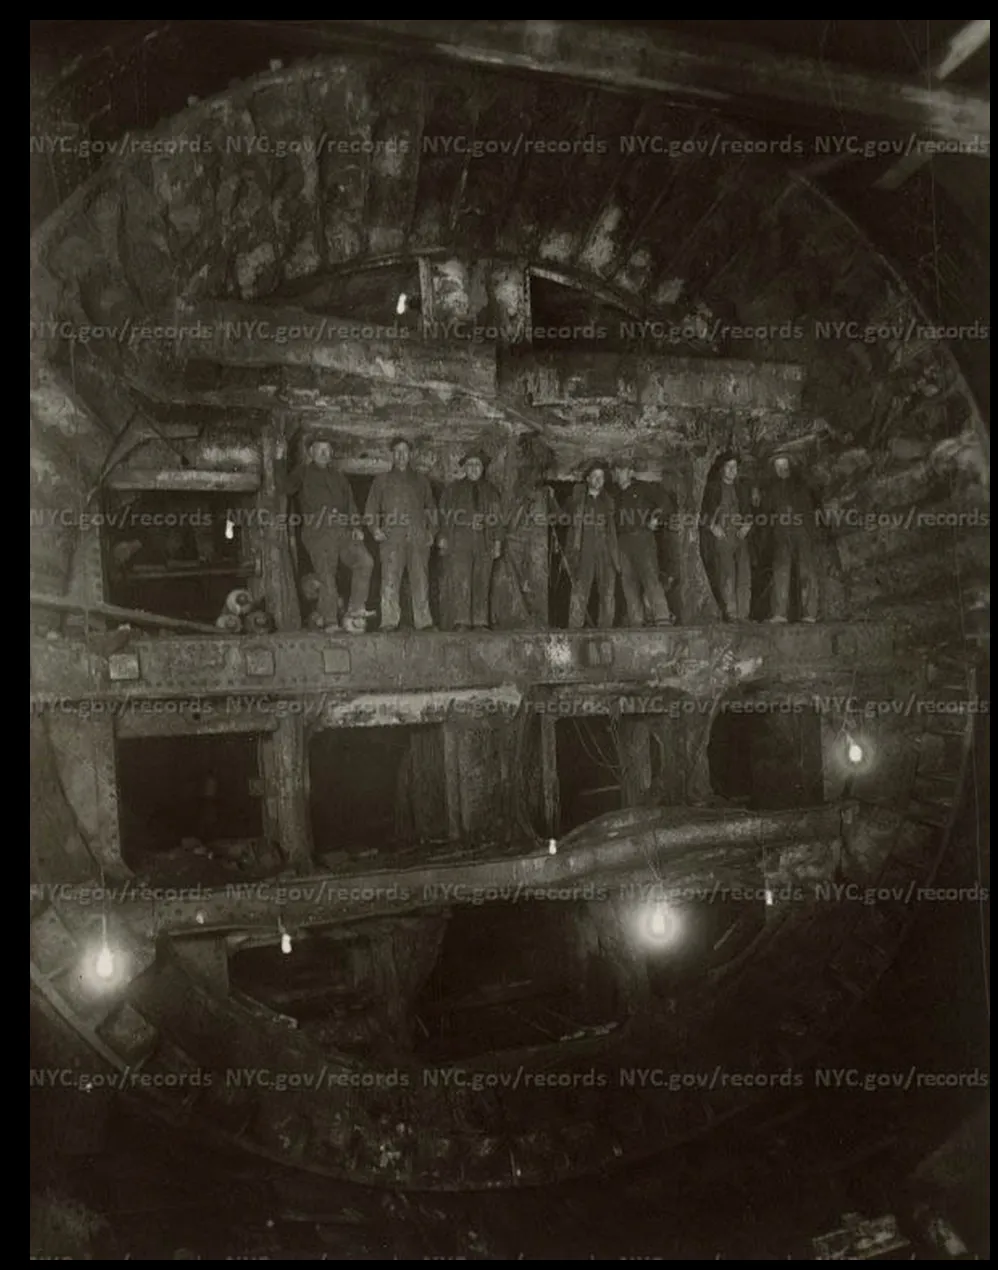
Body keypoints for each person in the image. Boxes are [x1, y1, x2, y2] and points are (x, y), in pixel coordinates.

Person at [278, 434, 373, 630]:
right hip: (318, 531)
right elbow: (285, 488)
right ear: (311, 452)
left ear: (331, 453)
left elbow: (350, 504)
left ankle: (354, 610)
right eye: (319, 449)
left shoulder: (339, 476)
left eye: (327, 450)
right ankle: (330, 621)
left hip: (342, 529)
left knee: (365, 561)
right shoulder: (303, 472)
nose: (324, 453)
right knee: (326, 575)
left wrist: (356, 527)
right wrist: (285, 463)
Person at [364, 437, 438, 631]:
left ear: (411, 454)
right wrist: (375, 529)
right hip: (391, 538)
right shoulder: (381, 480)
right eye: (397, 452)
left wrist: (432, 531)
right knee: (389, 578)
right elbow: (371, 508)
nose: (401, 455)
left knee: (420, 579)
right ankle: (389, 621)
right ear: (392, 455)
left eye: (405, 451)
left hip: (417, 536)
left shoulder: (421, 481)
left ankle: (424, 622)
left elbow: (431, 508)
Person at [438, 451, 503, 630]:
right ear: (465, 468)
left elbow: (498, 519)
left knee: (482, 579)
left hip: (485, 542)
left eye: (478, 465)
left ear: (483, 468)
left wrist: (497, 542)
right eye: (470, 465)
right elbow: (443, 515)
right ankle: (462, 621)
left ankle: (481, 621)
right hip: (460, 542)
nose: (474, 468)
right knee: (462, 580)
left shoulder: (491, 491)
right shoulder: (453, 490)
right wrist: (443, 537)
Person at [612, 457, 673, 627]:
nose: (618, 473)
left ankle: (663, 620)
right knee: (628, 582)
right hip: (622, 541)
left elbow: (665, 504)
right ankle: (636, 623)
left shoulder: (643, 488)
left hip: (643, 538)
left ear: (630, 472)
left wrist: (656, 519)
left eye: (622, 469)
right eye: (616, 470)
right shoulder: (614, 494)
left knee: (650, 578)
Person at [760, 451, 820, 623]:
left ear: (790, 466)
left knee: (806, 570)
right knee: (781, 570)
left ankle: (810, 614)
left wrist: (811, 529)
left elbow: (814, 504)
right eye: (778, 466)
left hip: (803, 530)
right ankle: (779, 614)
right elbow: (766, 509)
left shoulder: (802, 484)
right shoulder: (773, 488)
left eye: (784, 465)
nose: (782, 469)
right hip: (782, 532)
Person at [565, 461, 620, 629]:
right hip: (584, 552)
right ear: (587, 479)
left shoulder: (609, 502)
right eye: (595, 476)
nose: (598, 480)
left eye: (601, 477)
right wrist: (550, 498)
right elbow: (562, 518)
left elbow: (614, 531)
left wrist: (615, 556)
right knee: (580, 591)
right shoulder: (577, 501)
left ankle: (606, 630)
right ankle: (574, 630)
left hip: (605, 553)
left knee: (608, 593)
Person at [702, 451, 753, 622]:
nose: (732, 470)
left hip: (740, 535)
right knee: (727, 574)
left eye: (735, 467)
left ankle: (744, 614)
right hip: (723, 536)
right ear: (722, 469)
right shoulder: (713, 489)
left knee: (744, 574)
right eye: (729, 467)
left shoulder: (741, 488)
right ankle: (731, 613)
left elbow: (749, 511)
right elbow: (705, 512)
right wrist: (712, 526)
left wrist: (748, 524)